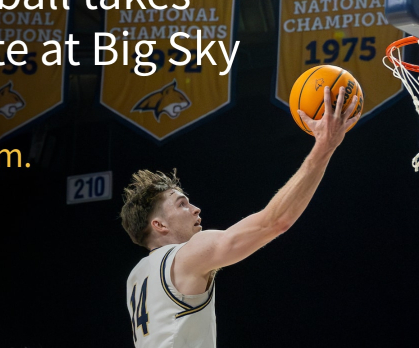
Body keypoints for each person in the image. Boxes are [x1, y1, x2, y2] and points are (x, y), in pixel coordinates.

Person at [120, 87, 360, 348]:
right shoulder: (188, 255)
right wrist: (325, 147)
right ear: (159, 225)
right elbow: (274, 222)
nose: (196, 209)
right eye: (182, 204)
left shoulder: (136, 277)